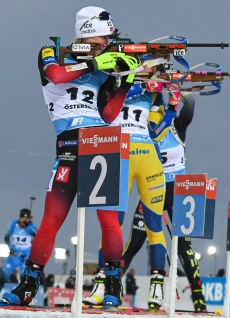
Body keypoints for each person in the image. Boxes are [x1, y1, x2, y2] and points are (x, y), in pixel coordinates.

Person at [1, 6, 139, 306]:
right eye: (104, 37)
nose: (107, 42)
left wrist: (126, 79)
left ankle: (113, 284)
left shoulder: (104, 66)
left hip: (102, 140)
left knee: (109, 221)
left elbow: (110, 113)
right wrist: (94, 64)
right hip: (69, 145)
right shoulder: (52, 52)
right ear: (89, 31)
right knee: (52, 218)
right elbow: (56, 75)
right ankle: (28, 284)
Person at [83, 65, 180, 309]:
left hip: (143, 156)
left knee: (152, 224)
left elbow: (156, 132)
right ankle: (102, 284)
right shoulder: (113, 85)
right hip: (119, 155)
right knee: (111, 222)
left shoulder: (151, 93)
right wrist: (145, 86)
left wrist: (171, 105)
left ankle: (156, 288)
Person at [110, 83, 207, 312]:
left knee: (184, 246)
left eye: (162, 109)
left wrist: (183, 93)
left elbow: (189, 109)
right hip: (152, 187)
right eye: (157, 109)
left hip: (177, 189)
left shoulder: (176, 127)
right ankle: (110, 287)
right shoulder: (144, 129)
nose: (159, 113)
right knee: (135, 242)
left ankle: (199, 299)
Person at [0, 209, 37, 290]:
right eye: (22, 219)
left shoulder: (32, 226)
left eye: (26, 219)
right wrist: (11, 248)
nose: (24, 221)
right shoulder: (13, 224)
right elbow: (6, 237)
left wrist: (29, 228)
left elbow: (38, 238)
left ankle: (22, 299)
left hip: (26, 256)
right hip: (14, 255)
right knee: (2, 276)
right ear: (20, 218)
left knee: (24, 278)